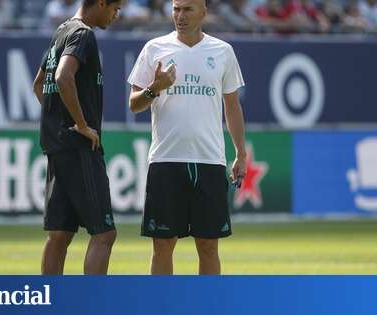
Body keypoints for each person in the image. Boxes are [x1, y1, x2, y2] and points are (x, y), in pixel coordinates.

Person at [127, 0, 247, 275]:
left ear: (203, 12)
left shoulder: (222, 51)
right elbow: (134, 104)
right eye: (176, 9)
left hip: (210, 161)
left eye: (187, 9)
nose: (180, 16)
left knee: (208, 246)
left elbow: (232, 106)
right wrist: (154, 88)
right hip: (166, 160)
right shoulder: (154, 48)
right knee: (163, 245)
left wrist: (240, 153)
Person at [32, 0, 122, 275]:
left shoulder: (62, 30)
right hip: (79, 147)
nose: (116, 15)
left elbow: (39, 84)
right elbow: (62, 77)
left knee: (59, 235)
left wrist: (57, 119)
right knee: (104, 234)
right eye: (115, 9)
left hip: (57, 146)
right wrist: (80, 124)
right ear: (102, 3)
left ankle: (51, 301)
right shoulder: (83, 34)